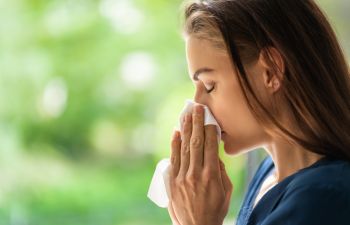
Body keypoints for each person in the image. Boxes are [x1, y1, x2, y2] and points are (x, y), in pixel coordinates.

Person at [167, 0, 350, 224]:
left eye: (209, 86)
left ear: (271, 71)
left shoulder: (322, 197)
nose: (198, 105)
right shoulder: (270, 172)